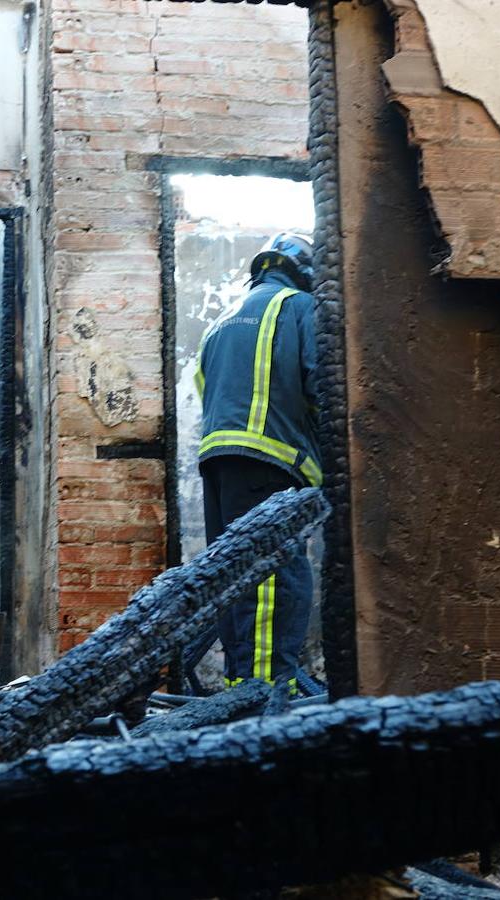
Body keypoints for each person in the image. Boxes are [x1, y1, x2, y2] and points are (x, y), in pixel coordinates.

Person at [195, 233, 321, 691]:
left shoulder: (221, 321)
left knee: (233, 574)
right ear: (307, 272)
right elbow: (323, 386)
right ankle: (270, 692)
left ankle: (238, 686)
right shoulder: (299, 307)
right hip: (271, 460)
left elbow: (205, 388)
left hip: (219, 462)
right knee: (274, 575)